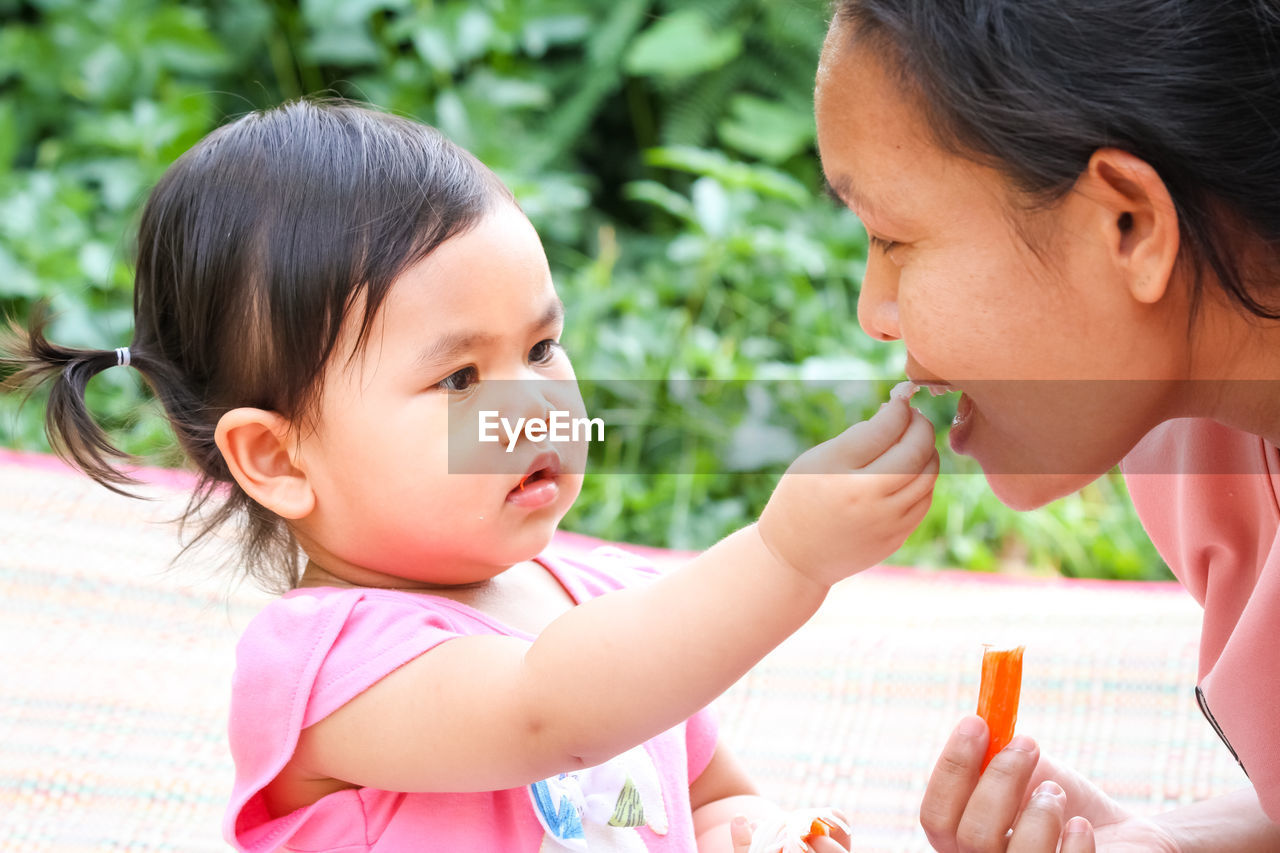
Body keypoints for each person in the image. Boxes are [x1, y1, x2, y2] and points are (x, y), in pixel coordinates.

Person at [1, 99, 939, 852]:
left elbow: (708, 797)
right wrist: (785, 556)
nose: (532, 404)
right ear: (280, 459)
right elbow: (550, 709)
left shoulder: (603, 601)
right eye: (459, 377)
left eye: (541, 345)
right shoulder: (325, 667)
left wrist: (757, 831)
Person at [814, 1, 1280, 850]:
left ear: (1128, 225)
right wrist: (1167, 842)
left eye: (891, 238)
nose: (872, 312)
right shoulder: (1195, 440)